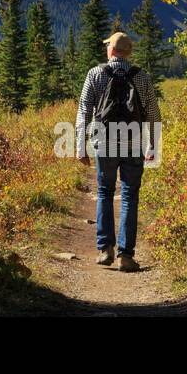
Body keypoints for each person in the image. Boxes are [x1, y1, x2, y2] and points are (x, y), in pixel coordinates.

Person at [74, 31, 161, 271]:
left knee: (104, 192)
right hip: (133, 141)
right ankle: (126, 255)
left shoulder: (95, 73)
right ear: (128, 52)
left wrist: (81, 145)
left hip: (104, 141)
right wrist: (153, 145)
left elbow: (84, 112)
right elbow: (153, 113)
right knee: (130, 196)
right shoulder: (141, 76)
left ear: (111, 50)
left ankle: (105, 250)